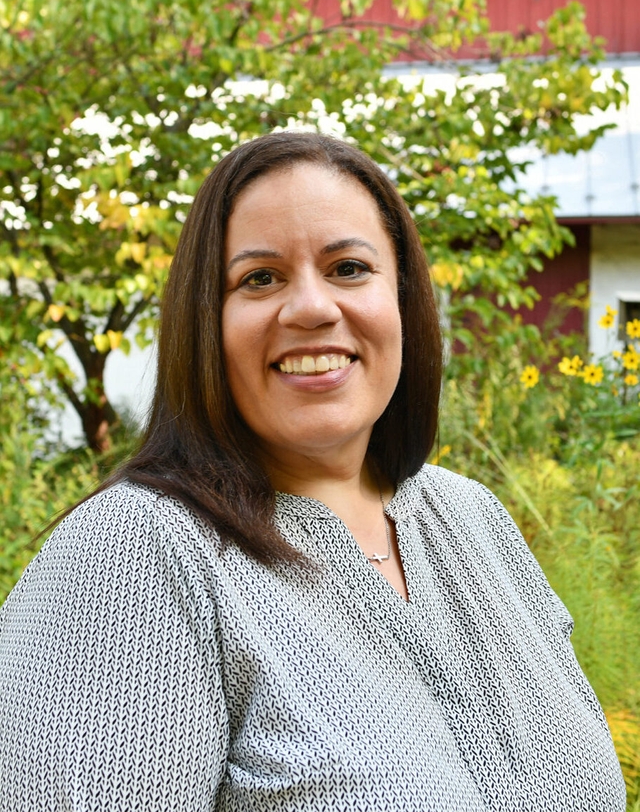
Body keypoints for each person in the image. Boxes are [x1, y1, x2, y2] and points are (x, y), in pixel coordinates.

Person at [0, 132, 625, 811]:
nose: (311, 307)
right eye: (259, 278)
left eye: (349, 267)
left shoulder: (474, 519)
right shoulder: (135, 553)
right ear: (205, 322)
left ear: (404, 300)